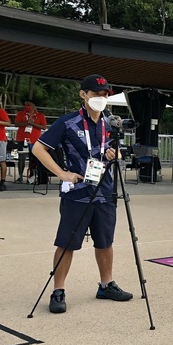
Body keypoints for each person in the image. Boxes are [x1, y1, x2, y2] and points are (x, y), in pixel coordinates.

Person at [32, 74, 134, 314]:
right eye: (97, 94)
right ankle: (58, 290)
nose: (101, 98)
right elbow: (39, 148)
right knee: (67, 242)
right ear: (83, 95)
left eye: (105, 95)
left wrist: (115, 154)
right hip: (77, 192)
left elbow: (115, 151)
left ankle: (106, 284)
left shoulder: (110, 123)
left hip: (105, 191)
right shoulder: (68, 122)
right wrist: (62, 173)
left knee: (105, 241)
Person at [14, 100, 48, 183]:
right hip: (22, 139)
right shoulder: (20, 114)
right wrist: (26, 122)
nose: (27, 107)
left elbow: (44, 126)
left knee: (33, 159)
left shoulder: (40, 115)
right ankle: (20, 176)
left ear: (33, 106)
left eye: (29, 105)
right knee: (21, 158)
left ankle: (32, 176)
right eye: (25, 105)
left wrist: (33, 123)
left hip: (34, 141)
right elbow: (16, 124)